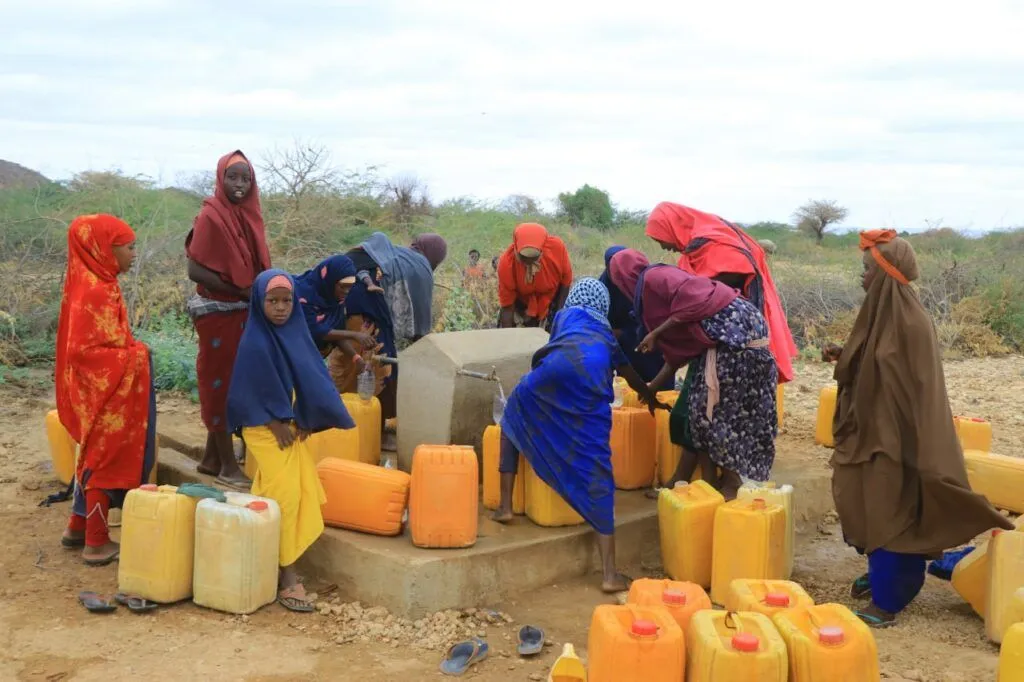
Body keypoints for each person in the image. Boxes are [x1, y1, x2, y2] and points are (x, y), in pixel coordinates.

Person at [826, 230, 1012, 628]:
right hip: (874, 437)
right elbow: (876, 365)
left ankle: (889, 599)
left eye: (867, 270)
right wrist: (846, 358)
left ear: (887, 273)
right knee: (866, 502)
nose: (861, 278)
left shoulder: (910, 324)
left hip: (896, 441)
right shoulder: (882, 317)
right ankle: (880, 574)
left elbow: (911, 392)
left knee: (891, 510)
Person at [492, 278, 667, 593]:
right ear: (603, 305)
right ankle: (609, 574)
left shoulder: (563, 316)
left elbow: (555, 350)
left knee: (513, 415)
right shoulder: (606, 336)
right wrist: (650, 395)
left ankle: (505, 506)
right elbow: (629, 375)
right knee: (596, 464)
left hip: (549, 376)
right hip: (588, 388)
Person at [227, 270, 356, 612]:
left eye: (286, 301)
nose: (281, 308)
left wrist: (305, 418)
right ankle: (288, 576)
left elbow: (310, 378)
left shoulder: (296, 333)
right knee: (286, 496)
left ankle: (257, 559)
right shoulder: (254, 340)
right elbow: (243, 392)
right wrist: (273, 421)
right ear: (260, 301)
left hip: (291, 425)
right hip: (265, 428)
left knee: (285, 490)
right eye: (273, 301)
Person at [609, 249, 777, 500]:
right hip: (731, 337)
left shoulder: (655, 278)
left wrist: (656, 333)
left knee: (717, 413)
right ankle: (706, 484)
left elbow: (694, 303)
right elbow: (681, 348)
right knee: (698, 412)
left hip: (736, 336)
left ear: (620, 277)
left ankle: (731, 484)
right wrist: (651, 388)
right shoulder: (649, 293)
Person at [56, 214, 155, 566]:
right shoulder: (96, 290)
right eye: (129, 247)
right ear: (104, 249)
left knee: (92, 453)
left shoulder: (96, 281)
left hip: (99, 387)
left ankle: (77, 527)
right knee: (105, 457)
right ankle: (96, 543)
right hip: (104, 388)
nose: (134, 254)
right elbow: (85, 352)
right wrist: (137, 355)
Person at [185, 150, 271, 488]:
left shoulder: (248, 215)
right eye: (232, 177)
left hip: (242, 310)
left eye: (245, 178)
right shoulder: (211, 217)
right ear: (220, 178)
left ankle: (211, 458)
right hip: (219, 312)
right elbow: (195, 268)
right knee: (219, 383)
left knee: (235, 381)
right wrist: (240, 292)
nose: (239, 184)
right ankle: (227, 468)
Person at [645, 201, 797, 384]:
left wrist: (696, 296)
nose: (664, 247)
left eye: (660, 239)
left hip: (736, 333)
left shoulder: (712, 241)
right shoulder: (699, 245)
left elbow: (708, 293)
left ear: (670, 228)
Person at [329, 232, 447, 433]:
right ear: (436, 256)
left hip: (339, 302)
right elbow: (420, 325)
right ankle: (364, 430)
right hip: (365, 312)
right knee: (375, 366)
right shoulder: (421, 266)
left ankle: (338, 423)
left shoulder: (397, 255)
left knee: (345, 363)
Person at [599, 245, 673, 390]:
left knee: (661, 396)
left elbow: (664, 321)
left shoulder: (652, 284)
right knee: (629, 395)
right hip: (625, 354)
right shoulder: (604, 287)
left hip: (654, 352)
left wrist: (623, 333)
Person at [292, 254, 376, 360]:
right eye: (342, 286)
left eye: (350, 287)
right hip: (294, 356)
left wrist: (356, 358)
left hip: (314, 356)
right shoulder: (305, 297)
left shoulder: (334, 299)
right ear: (331, 280)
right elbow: (316, 331)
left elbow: (337, 332)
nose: (346, 291)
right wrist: (355, 335)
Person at [497, 223, 572, 331]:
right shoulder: (507, 264)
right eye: (524, 258)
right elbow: (507, 305)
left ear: (543, 248)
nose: (529, 262)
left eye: (534, 257)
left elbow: (565, 282)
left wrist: (558, 315)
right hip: (520, 304)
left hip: (550, 301)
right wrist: (508, 338)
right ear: (516, 248)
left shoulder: (557, 250)